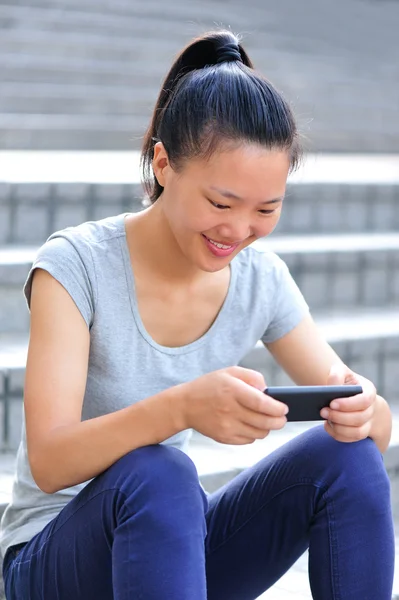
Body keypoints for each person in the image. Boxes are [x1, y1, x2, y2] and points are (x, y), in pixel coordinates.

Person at [0, 30, 394, 600]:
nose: (238, 232)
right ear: (163, 164)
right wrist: (183, 407)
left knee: (347, 459)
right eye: (220, 203)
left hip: (164, 544)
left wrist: (365, 411)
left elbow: (369, 425)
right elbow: (51, 459)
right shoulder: (76, 265)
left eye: (266, 209)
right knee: (161, 472)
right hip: (54, 556)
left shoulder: (261, 279)